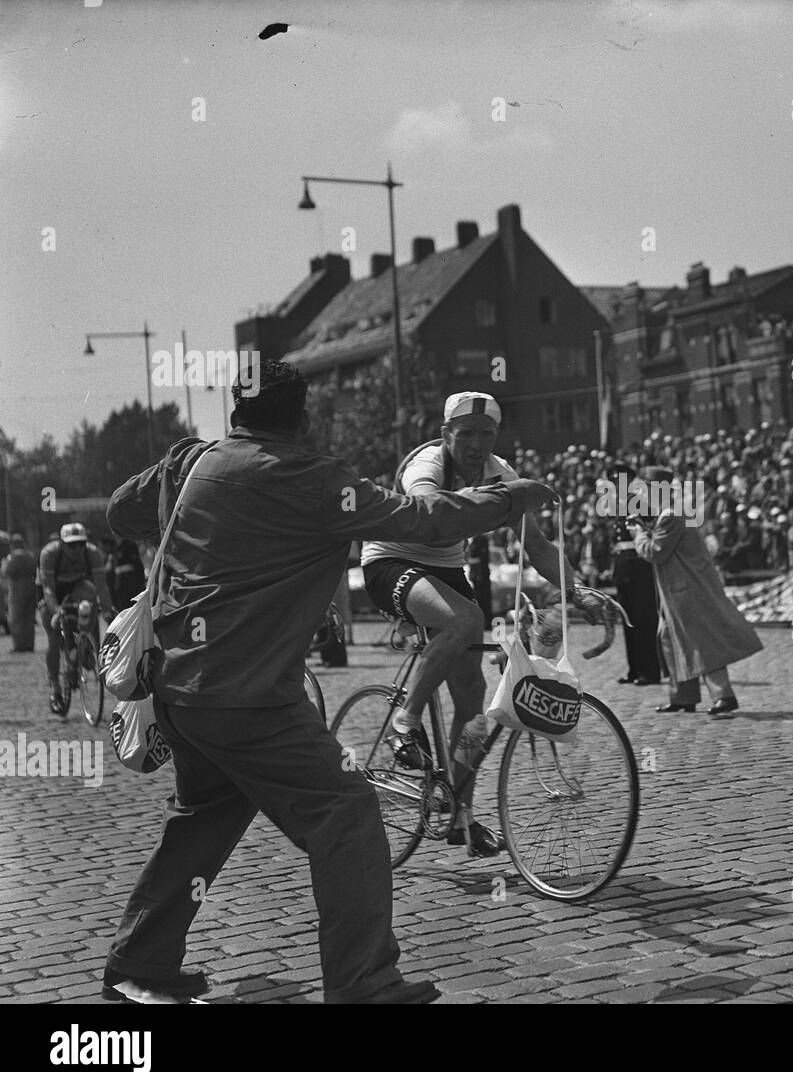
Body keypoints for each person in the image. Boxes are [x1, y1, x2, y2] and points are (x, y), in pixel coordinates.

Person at [100, 362, 557, 1005]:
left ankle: (137, 964)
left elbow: (121, 514)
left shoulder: (193, 463)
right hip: (251, 696)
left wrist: (185, 477)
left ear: (237, 410)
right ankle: (362, 982)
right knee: (346, 814)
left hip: (180, 690)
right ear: (303, 417)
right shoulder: (312, 480)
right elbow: (422, 519)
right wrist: (512, 498)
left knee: (203, 820)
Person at [360, 391, 604, 857]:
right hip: (392, 559)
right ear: (445, 434)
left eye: (486, 435)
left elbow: (537, 546)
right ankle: (403, 723)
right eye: (465, 434)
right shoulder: (425, 467)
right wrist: (507, 497)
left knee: (472, 705)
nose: (475, 445)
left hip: (445, 567)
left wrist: (576, 588)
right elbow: (433, 517)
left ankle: (461, 816)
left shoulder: (501, 473)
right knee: (466, 619)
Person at [634, 466, 762, 715]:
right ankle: (683, 696)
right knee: (671, 639)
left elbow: (656, 552)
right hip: (676, 592)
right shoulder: (669, 514)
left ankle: (723, 695)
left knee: (700, 642)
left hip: (686, 591)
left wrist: (638, 534)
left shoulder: (671, 515)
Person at [37, 522, 115, 709]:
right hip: (51, 589)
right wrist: (56, 611)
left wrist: (108, 611)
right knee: (53, 637)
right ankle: (55, 688)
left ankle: (83, 645)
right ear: (62, 543)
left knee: (90, 601)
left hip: (77, 585)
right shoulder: (49, 553)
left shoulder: (93, 553)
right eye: (72, 545)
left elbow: (101, 587)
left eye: (81, 543)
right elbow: (48, 589)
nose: (77, 548)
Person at [608, 463, 661, 687]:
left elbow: (651, 530)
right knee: (628, 620)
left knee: (643, 620)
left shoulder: (640, 502)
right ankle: (635, 668)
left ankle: (650, 671)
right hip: (623, 567)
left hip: (639, 566)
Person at [2, 533, 37, 651]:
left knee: (16, 617)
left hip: (17, 587)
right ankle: (29, 644)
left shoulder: (12, 557)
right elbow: (35, 569)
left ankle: (19, 645)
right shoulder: (30, 555)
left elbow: (7, 571)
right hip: (31, 585)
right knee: (29, 617)